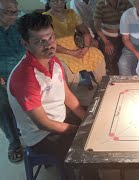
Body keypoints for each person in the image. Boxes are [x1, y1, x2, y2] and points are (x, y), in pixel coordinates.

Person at [7, 12, 99, 179]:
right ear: (25, 44)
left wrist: (87, 120)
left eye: (51, 38)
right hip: (42, 136)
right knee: (88, 150)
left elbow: (67, 96)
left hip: (60, 118)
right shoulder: (25, 78)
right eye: (39, 41)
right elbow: (44, 124)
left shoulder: (53, 61)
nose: (49, 45)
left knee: (98, 116)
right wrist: (79, 131)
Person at [44, 0, 105, 92]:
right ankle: (71, 95)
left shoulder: (71, 13)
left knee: (96, 54)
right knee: (68, 69)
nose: (59, 3)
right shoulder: (46, 17)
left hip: (75, 47)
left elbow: (85, 32)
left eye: (61, 1)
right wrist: (71, 52)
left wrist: (85, 48)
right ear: (49, 3)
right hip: (57, 50)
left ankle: (101, 86)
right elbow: (48, 41)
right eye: (55, 1)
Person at [0, 0, 24, 163]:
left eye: (16, 11)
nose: (14, 16)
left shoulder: (19, 26)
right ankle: (14, 143)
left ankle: (38, 135)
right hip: (3, 75)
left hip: (23, 69)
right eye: (9, 12)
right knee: (3, 105)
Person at [94, 0, 132, 75]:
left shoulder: (125, 3)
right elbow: (97, 27)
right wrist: (106, 42)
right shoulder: (100, 4)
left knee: (125, 60)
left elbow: (133, 17)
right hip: (108, 38)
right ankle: (112, 80)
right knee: (110, 59)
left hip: (124, 37)